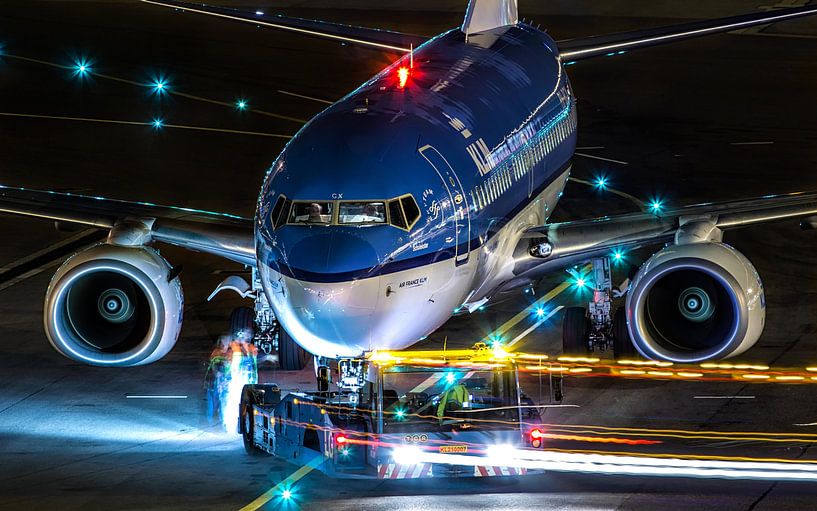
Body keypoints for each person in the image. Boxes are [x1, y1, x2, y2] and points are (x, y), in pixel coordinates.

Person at [205, 335, 232, 426]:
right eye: (226, 341)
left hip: (224, 383)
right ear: (222, 342)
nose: (228, 342)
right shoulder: (216, 352)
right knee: (212, 404)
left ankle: (223, 423)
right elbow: (214, 367)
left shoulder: (230, 353)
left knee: (223, 404)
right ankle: (209, 422)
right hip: (214, 383)